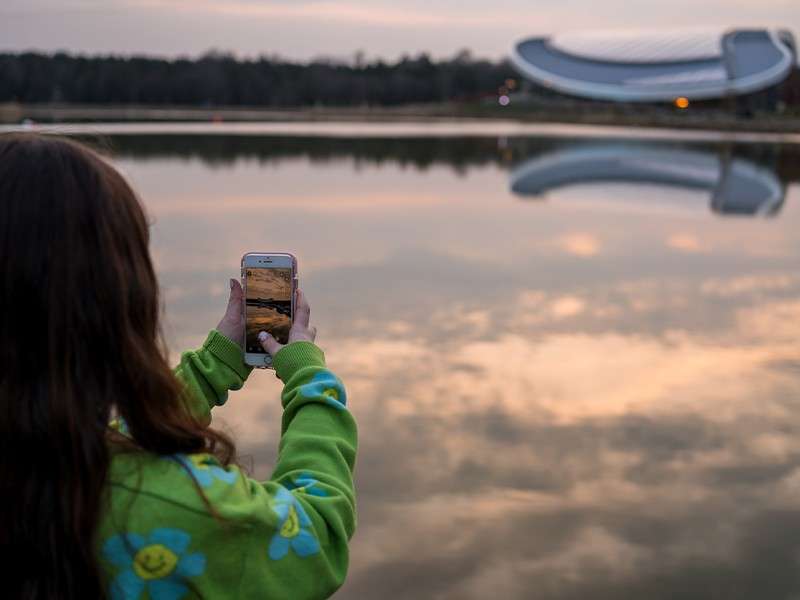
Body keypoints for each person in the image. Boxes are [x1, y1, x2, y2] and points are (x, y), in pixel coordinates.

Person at [0, 133, 357, 600]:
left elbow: (111, 429)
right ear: (116, 297)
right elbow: (316, 536)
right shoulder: (169, 505)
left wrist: (215, 365)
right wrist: (311, 381)